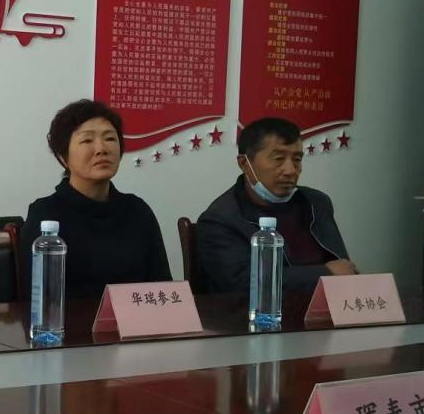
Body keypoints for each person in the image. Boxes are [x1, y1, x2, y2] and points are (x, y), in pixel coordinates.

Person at [20, 99, 171, 299]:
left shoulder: (138, 211)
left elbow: (162, 288)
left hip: (133, 319)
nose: (101, 149)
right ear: (63, 157)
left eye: (110, 138)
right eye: (87, 141)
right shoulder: (46, 214)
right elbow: (33, 299)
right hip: (67, 320)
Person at [196, 116, 356, 294]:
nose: (290, 170)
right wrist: (323, 274)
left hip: (330, 305)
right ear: (245, 164)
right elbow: (240, 284)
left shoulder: (316, 202)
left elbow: (344, 269)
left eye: (297, 160)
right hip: (261, 311)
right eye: (278, 159)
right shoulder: (220, 219)